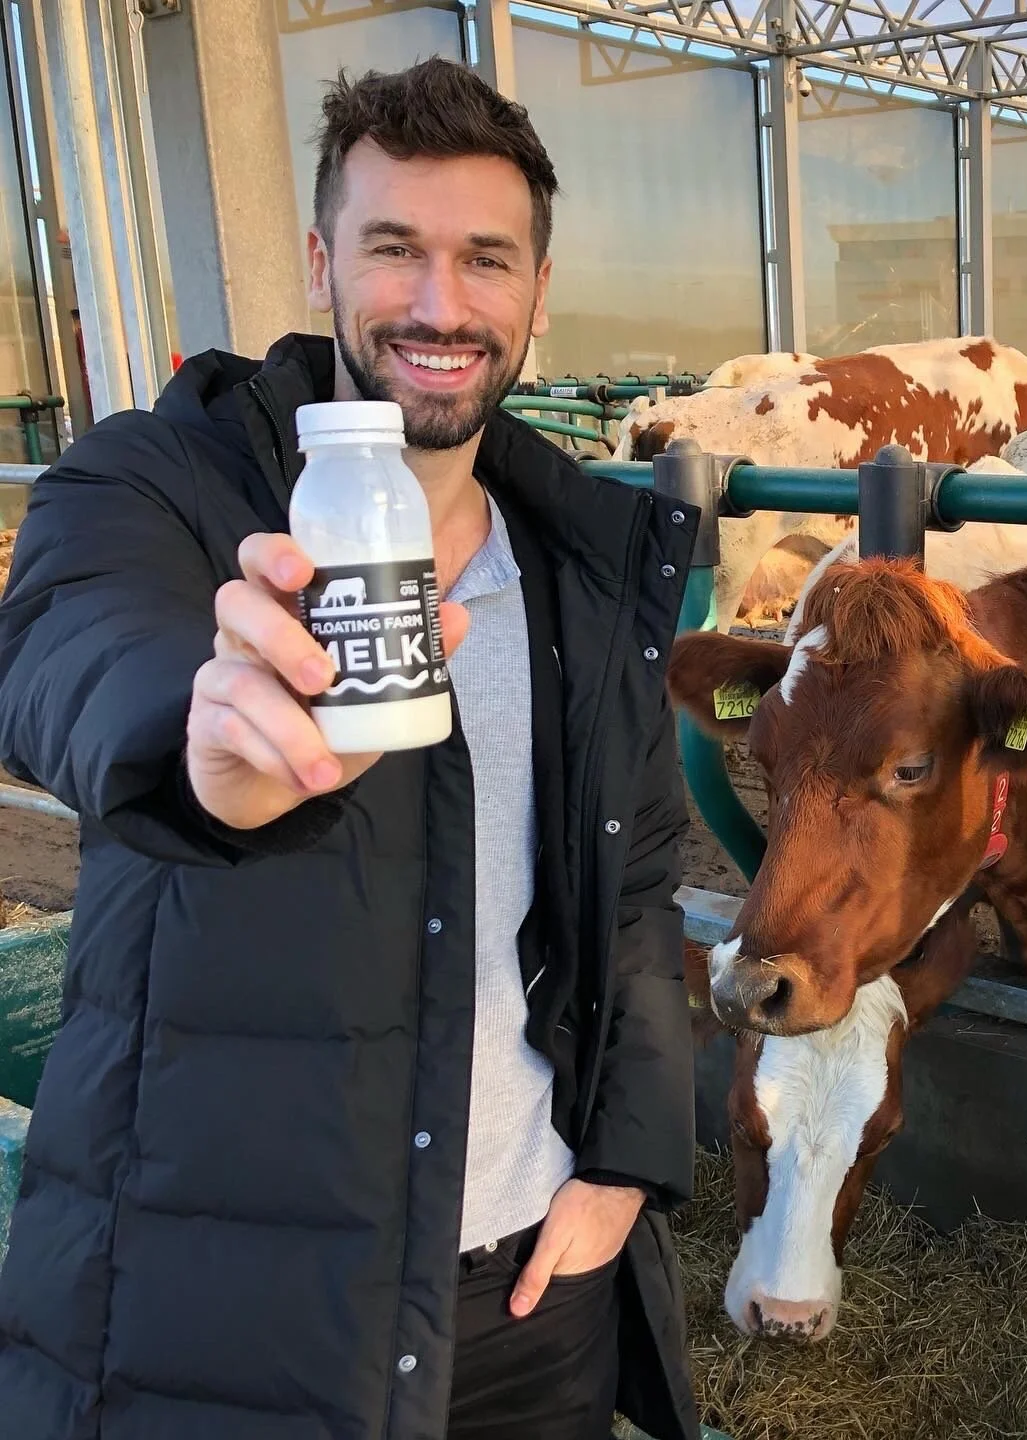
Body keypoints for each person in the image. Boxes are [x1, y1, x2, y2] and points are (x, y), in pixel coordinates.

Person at [0, 58, 699, 1440]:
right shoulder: (157, 483)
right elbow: (69, 640)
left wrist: (625, 1166)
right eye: (393, 248)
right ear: (322, 262)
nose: (441, 304)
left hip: (530, 1294)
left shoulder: (580, 563)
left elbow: (635, 886)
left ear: (537, 293)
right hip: (229, 1307)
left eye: (485, 258)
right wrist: (196, 740)